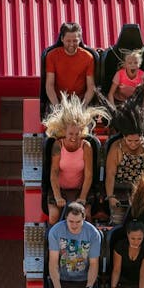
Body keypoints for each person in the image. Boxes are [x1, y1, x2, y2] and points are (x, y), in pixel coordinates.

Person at [43, 92, 109, 225]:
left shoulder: (86, 146)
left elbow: (89, 175)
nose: (73, 137)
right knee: (54, 216)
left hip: (79, 190)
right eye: (70, 134)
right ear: (64, 132)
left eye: (77, 134)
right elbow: (54, 172)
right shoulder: (58, 145)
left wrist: (82, 197)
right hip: (60, 190)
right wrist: (57, 196)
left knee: (86, 215)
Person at [104, 84, 144, 225]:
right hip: (120, 190)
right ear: (124, 137)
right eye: (130, 141)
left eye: (137, 140)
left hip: (143, 191)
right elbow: (110, 174)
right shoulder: (116, 148)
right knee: (117, 221)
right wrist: (110, 196)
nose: (133, 144)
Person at [45, 22, 96, 108]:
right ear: (62, 39)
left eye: (75, 41)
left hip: (80, 101)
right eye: (68, 41)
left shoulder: (88, 57)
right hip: (57, 100)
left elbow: (91, 87)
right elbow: (49, 85)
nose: (72, 44)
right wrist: (57, 106)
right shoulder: (52, 56)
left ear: (80, 39)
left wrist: (83, 106)